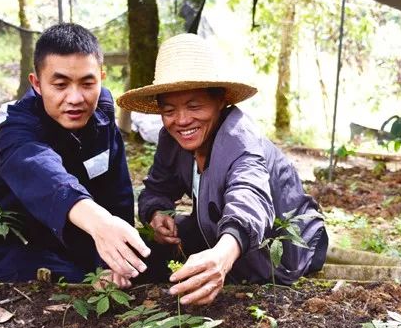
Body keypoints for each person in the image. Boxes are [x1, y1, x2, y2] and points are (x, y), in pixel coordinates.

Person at [117, 33, 327, 306]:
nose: (181, 120)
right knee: (150, 243)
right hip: (213, 227)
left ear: (221, 101)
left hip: (280, 248)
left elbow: (249, 199)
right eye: (169, 110)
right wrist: (157, 214)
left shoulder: (241, 140)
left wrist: (224, 254)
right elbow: (158, 186)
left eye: (194, 106)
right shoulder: (173, 138)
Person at [0, 23, 149, 285]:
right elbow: (43, 174)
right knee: (74, 284)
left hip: (74, 228)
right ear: (37, 83)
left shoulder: (102, 110)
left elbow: (116, 191)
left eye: (87, 83)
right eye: (60, 84)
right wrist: (100, 225)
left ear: (101, 78)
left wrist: (115, 255)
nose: (75, 98)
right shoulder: (15, 124)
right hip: (7, 239)